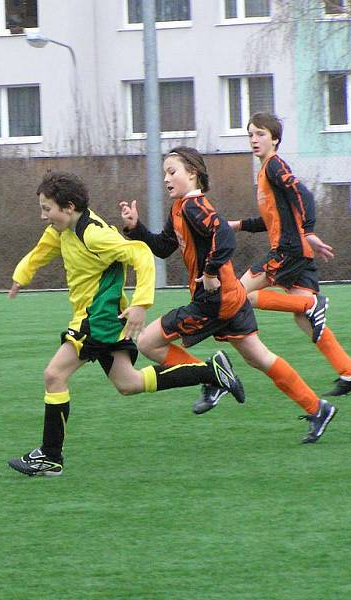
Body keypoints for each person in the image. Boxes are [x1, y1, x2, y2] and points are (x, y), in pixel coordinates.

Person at [7, 171, 244, 477]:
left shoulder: (93, 234)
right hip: (104, 316)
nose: (43, 216)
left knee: (54, 375)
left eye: (47, 208)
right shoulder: (63, 229)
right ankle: (211, 372)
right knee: (128, 384)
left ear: (68, 207)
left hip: (98, 317)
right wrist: (20, 276)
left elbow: (141, 253)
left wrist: (141, 304)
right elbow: (41, 252)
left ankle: (50, 457)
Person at [120, 146, 337, 443]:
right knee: (260, 358)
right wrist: (136, 228)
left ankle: (212, 376)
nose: (167, 179)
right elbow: (163, 246)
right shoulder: (180, 208)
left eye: (173, 172)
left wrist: (210, 273)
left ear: (193, 174)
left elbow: (223, 235)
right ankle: (318, 408)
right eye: (165, 174)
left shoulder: (195, 207)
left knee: (148, 341)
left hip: (216, 301)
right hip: (230, 296)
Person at [228, 112, 351, 397]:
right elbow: (273, 218)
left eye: (261, 134)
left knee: (238, 295)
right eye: (251, 134)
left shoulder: (275, 166)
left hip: (288, 251)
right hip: (296, 253)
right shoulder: (267, 169)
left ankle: (311, 306)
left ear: (275, 139)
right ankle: (350, 372)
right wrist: (238, 225)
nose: (254, 139)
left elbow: (305, 196)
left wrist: (310, 231)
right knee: (306, 321)